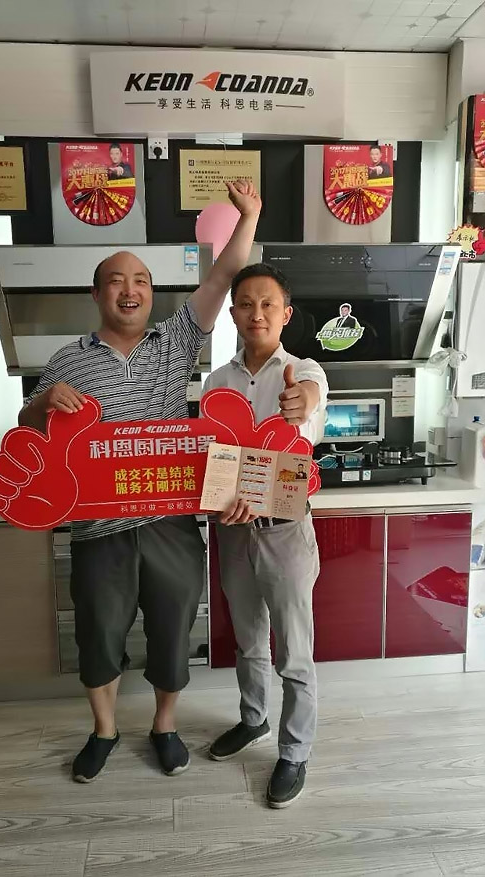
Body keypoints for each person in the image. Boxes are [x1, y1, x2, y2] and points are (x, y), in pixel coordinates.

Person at [18, 180, 261, 783]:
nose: (130, 290)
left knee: (173, 627)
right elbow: (27, 423)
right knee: (99, 632)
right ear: (96, 293)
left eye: (142, 282)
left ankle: (164, 725)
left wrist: (249, 217)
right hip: (97, 526)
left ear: (152, 294)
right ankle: (103, 729)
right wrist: (43, 400)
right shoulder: (67, 359)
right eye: (116, 281)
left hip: (169, 520)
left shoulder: (176, 342)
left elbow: (223, 276)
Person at [203, 262, 328, 809]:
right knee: (249, 639)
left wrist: (302, 401)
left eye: (268, 304)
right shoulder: (216, 382)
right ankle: (253, 719)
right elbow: (213, 456)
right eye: (246, 304)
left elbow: (311, 398)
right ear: (233, 314)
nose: (257, 313)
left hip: (285, 530)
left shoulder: (304, 371)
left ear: (286, 314)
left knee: (294, 651)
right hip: (232, 530)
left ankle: (295, 752)